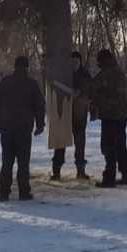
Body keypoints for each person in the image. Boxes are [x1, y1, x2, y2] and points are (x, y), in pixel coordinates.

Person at [0, 55, 46, 201]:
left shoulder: (5, 83)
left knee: (6, 161)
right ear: (26, 68)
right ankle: (24, 191)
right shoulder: (31, 84)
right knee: (23, 162)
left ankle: (4, 192)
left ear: (15, 67)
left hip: (7, 128)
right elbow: (39, 106)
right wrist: (40, 124)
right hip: (24, 128)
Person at [89, 48, 127, 188]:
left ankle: (110, 178)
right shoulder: (114, 72)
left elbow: (114, 95)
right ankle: (125, 176)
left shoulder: (111, 74)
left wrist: (99, 98)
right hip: (118, 115)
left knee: (109, 147)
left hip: (112, 115)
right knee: (120, 146)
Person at [51, 50, 93, 181]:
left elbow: (89, 91)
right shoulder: (64, 75)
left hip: (79, 115)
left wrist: (80, 93)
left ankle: (81, 171)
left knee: (80, 144)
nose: (74, 64)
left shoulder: (85, 75)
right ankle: (56, 171)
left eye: (76, 61)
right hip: (64, 114)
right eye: (72, 62)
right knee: (60, 144)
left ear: (80, 62)